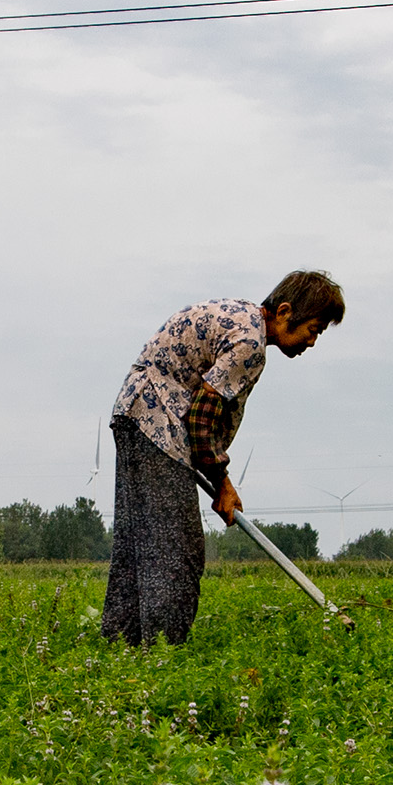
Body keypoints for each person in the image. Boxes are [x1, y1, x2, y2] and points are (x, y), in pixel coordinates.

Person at [103, 272, 344, 645]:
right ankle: (163, 654)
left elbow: (201, 415)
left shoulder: (241, 319)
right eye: (313, 329)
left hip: (135, 415)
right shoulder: (250, 343)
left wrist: (218, 479)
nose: (312, 341)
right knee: (175, 550)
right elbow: (201, 419)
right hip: (157, 423)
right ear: (284, 312)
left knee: (138, 545)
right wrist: (224, 484)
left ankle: (119, 646)